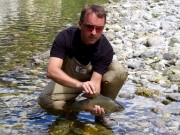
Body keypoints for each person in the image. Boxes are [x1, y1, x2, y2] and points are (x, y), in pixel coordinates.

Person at [38, 4, 128, 128]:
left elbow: (95, 83)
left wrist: (94, 103)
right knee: (45, 100)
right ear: (80, 24)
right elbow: (52, 71)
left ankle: (102, 114)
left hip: (91, 80)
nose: (94, 33)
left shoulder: (105, 49)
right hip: (69, 79)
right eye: (89, 27)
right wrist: (79, 85)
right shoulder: (65, 37)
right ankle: (71, 109)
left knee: (119, 70)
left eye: (99, 28)